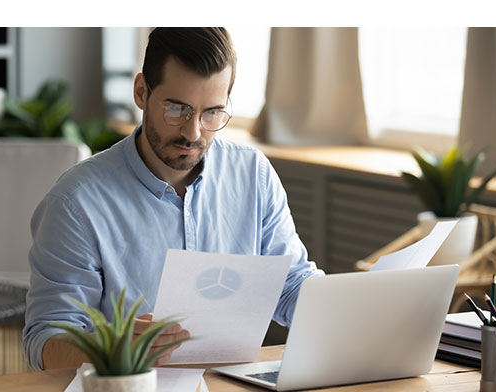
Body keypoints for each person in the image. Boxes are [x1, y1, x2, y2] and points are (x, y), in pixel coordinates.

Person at [23, 27, 323, 371]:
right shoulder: (76, 203)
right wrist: (114, 349)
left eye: (212, 113)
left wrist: (355, 311)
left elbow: (289, 284)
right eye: (177, 109)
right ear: (141, 92)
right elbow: (44, 342)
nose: (193, 132)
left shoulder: (253, 173)